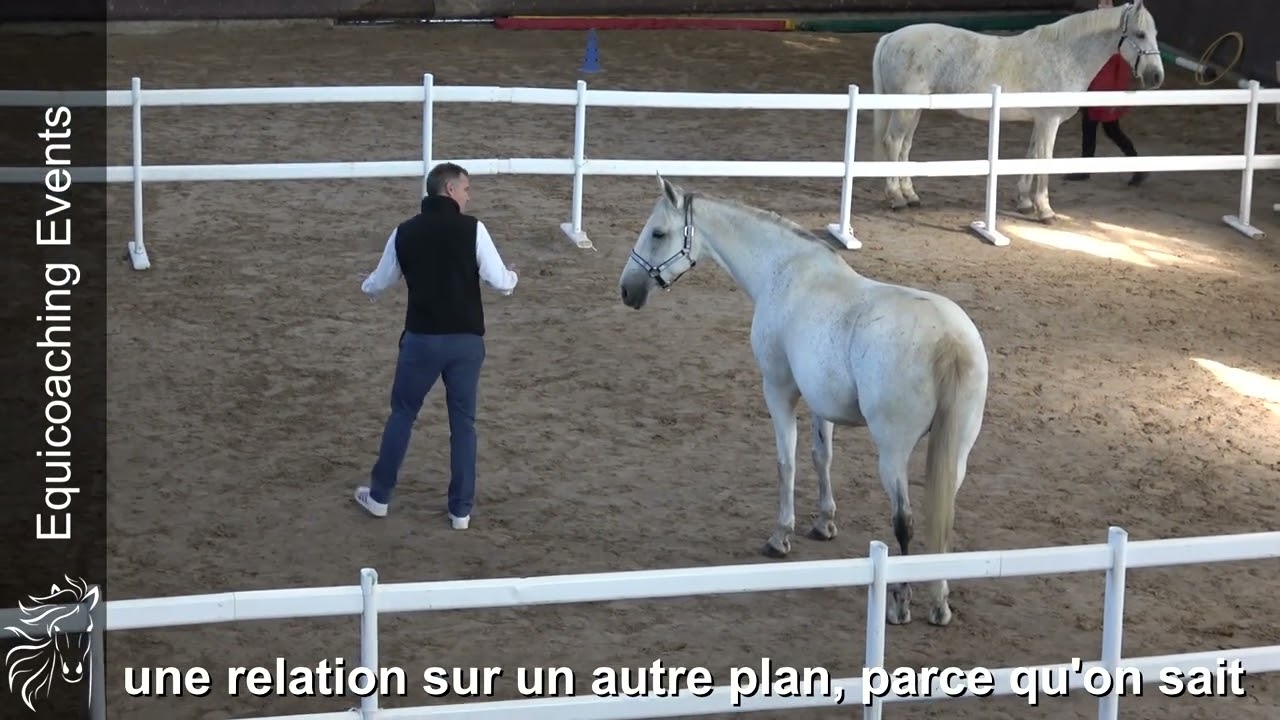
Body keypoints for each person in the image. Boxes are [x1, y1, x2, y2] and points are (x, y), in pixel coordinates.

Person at [353, 162, 518, 530]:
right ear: (448, 190)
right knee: (463, 425)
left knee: (403, 414)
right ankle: (460, 510)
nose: (468, 195)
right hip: (465, 343)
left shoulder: (404, 232)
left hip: (421, 341)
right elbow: (499, 282)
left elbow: (380, 282)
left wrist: (365, 286)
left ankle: (379, 497)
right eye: (465, 189)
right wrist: (513, 276)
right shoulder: (473, 229)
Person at [1065, 0, 1145, 186]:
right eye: (1101, 2)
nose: (1103, 6)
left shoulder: (1118, 34)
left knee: (1109, 130)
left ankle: (1137, 166)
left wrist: (1115, 96)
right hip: (1094, 88)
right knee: (1095, 129)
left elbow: (1121, 68)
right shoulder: (1097, 28)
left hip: (1107, 92)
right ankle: (1135, 166)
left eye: (1107, 2)